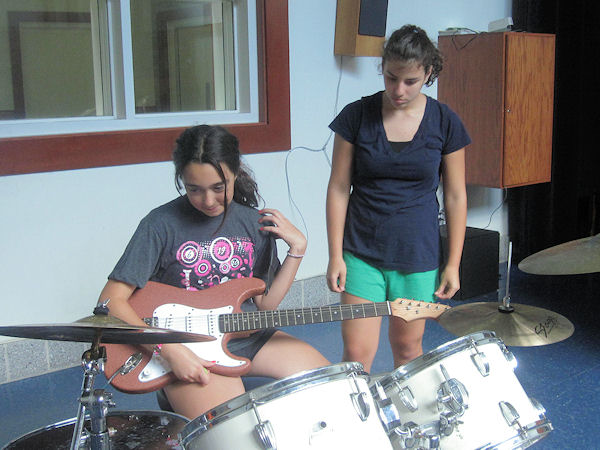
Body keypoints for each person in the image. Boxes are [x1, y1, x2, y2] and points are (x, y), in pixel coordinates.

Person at [99, 124, 330, 419]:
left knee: (333, 388)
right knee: (234, 426)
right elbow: (110, 301)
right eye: (194, 189)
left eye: (219, 188)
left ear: (235, 173)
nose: (207, 201)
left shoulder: (254, 224)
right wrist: (167, 351)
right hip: (185, 345)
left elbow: (265, 306)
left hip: (247, 336)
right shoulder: (159, 225)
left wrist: (297, 249)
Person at [326, 24, 469, 372]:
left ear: (428, 73)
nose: (399, 90)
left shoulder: (445, 122)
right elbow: (338, 187)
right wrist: (335, 255)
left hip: (417, 256)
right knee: (357, 355)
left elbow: (455, 195)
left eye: (410, 81)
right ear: (383, 68)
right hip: (361, 253)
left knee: (407, 350)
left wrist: (453, 263)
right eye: (391, 78)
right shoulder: (356, 116)